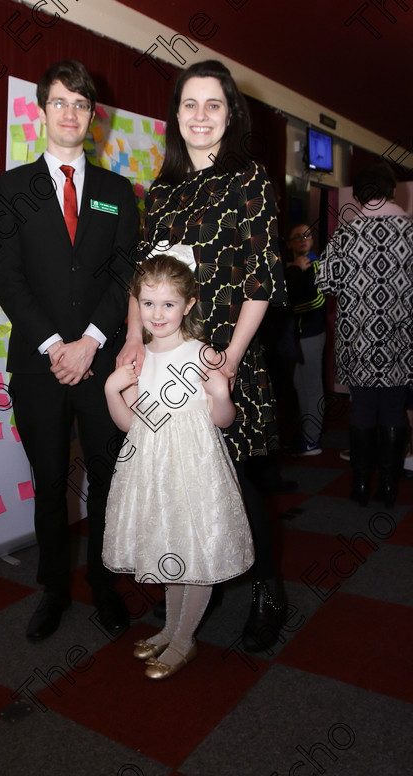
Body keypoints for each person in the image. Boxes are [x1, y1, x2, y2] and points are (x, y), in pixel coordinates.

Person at [118, 59, 288, 652]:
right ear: (176, 115)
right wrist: (133, 337)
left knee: (233, 484)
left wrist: (233, 358)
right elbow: (144, 280)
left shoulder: (251, 179)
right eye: (189, 104)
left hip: (223, 361)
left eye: (213, 104)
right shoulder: (161, 190)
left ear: (230, 114)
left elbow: (263, 280)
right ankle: (184, 602)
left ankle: (267, 590)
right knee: (178, 485)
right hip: (167, 363)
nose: (200, 116)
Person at [0, 60, 139, 640]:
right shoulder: (12, 188)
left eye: (80, 103)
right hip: (38, 363)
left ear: (92, 115)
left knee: (105, 479)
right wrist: (57, 346)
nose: (70, 113)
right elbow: (10, 280)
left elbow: (125, 269)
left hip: (102, 365)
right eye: (60, 102)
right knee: (49, 482)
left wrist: (91, 342)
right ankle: (54, 589)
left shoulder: (115, 191)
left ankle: (103, 585)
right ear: (42, 111)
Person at [103, 254, 254, 679]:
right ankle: (170, 627)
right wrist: (113, 394)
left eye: (168, 304)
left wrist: (221, 393)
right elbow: (131, 423)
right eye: (148, 303)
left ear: (188, 305)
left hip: (196, 470)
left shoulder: (200, 353)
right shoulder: (136, 357)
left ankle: (185, 639)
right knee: (171, 544)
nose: (157, 314)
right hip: (152, 471)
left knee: (197, 548)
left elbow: (223, 421)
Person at [316, 163, 413, 506]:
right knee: (393, 409)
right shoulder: (410, 231)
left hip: (358, 338)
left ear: (357, 196)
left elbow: (324, 284)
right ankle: (388, 485)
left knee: (362, 409)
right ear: (392, 191)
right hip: (401, 339)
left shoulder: (345, 234)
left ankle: (359, 485)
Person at [285, 223, 326, 455]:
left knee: (311, 386)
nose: (302, 239)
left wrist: (286, 310)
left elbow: (319, 301)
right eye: (297, 236)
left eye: (307, 235)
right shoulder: (291, 266)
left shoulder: (316, 263)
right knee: (300, 386)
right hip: (295, 335)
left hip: (310, 333)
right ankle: (306, 435)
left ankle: (312, 439)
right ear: (289, 242)